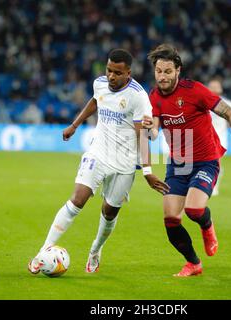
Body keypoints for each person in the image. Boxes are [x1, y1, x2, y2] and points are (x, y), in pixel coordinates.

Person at [28, 49, 169, 274]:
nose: (111, 76)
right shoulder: (100, 83)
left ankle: (95, 249)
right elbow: (95, 101)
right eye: (109, 70)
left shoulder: (138, 96)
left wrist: (147, 171)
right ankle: (42, 251)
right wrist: (75, 125)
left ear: (128, 73)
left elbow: (142, 135)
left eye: (117, 73)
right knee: (77, 200)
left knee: (109, 212)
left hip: (125, 163)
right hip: (98, 153)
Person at [144, 44, 231, 277]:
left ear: (178, 71)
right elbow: (153, 131)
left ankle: (207, 226)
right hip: (178, 164)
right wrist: (148, 128)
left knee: (193, 209)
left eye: (167, 71)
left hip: (205, 161)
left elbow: (230, 113)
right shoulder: (153, 97)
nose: (162, 76)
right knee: (171, 219)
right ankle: (193, 263)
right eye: (159, 71)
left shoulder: (196, 91)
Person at [208, 78, 231, 196]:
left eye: (216, 86)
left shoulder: (227, 103)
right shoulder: (204, 102)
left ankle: (214, 187)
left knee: (216, 163)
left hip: (220, 138)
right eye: (212, 86)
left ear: (220, 88)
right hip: (205, 138)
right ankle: (206, 185)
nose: (214, 88)